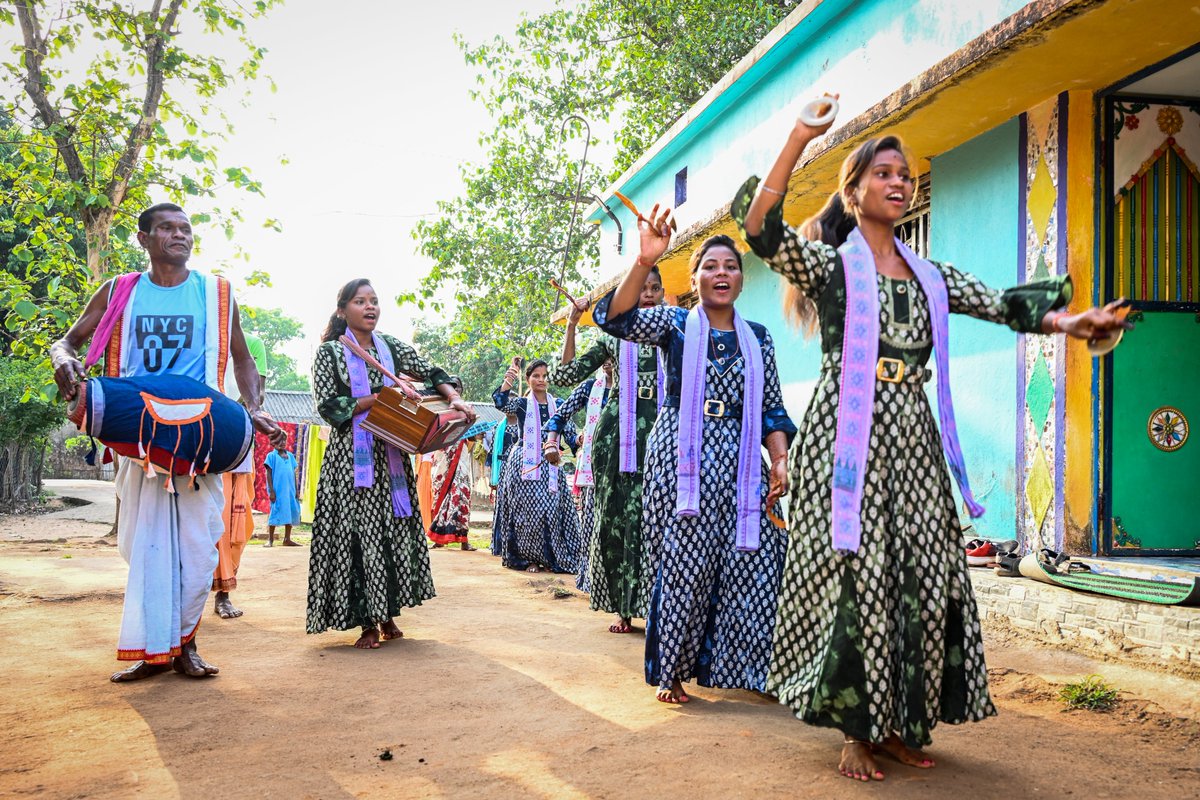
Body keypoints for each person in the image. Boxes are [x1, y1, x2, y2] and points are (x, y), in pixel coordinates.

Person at [735, 103, 1132, 781]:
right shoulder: (830, 270)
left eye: (907, 174)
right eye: (884, 173)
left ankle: (895, 723)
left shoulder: (931, 277)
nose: (900, 182)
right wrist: (801, 137)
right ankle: (854, 732)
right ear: (853, 190)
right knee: (856, 572)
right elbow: (761, 230)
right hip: (847, 438)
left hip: (914, 438)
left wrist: (1074, 321)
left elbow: (1004, 304)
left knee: (918, 570)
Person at [50, 202, 285, 682]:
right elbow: (67, 341)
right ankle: (153, 649)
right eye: (166, 229)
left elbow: (243, 359)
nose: (179, 236)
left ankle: (186, 645)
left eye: (185, 229)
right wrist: (63, 359)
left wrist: (253, 405)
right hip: (140, 436)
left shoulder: (216, 294)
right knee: (147, 547)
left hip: (199, 438)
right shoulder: (120, 290)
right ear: (144, 239)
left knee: (197, 549)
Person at [594, 211, 797, 705]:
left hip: (742, 459)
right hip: (682, 458)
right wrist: (645, 260)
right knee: (686, 562)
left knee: (758, 558)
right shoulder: (674, 324)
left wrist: (780, 460)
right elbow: (613, 318)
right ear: (695, 279)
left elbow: (771, 406)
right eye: (710, 266)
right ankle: (674, 672)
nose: (721, 273)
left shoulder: (760, 338)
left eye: (730, 266)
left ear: (742, 280)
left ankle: (755, 670)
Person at [306, 279, 476, 649]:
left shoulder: (391, 348)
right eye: (360, 301)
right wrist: (378, 398)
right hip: (351, 460)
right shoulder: (331, 353)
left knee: (390, 530)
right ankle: (366, 623)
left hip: (391, 455)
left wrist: (455, 399)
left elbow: (432, 372)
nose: (370, 307)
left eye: (374, 301)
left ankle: (387, 614)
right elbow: (329, 406)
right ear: (342, 310)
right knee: (358, 533)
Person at [547, 271, 664, 633]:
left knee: (658, 516)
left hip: (664, 431)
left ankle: (660, 606)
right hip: (617, 436)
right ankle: (623, 608)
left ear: (662, 293)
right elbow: (564, 375)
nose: (647, 294)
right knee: (617, 517)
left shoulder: (675, 330)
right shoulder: (612, 334)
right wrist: (572, 324)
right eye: (640, 288)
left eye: (654, 288)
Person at [491, 358, 581, 573]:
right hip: (524, 463)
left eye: (544, 376)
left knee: (550, 510)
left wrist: (579, 440)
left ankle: (551, 558)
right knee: (527, 512)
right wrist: (511, 373)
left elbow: (569, 433)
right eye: (536, 376)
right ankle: (529, 558)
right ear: (528, 379)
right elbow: (501, 401)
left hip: (551, 462)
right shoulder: (521, 404)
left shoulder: (559, 404)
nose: (541, 380)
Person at [212, 331, 268, 619]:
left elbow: (257, 395)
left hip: (238, 438)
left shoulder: (253, 344)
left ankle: (224, 593)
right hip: (204, 439)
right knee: (209, 520)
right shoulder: (203, 339)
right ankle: (193, 596)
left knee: (237, 523)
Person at [544, 363, 611, 591]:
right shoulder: (590, 387)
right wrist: (551, 441)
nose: (609, 360)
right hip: (595, 468)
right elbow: (559, 417)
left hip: (629, 466)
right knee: (593, 526)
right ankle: (594, 581)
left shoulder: (640, 384)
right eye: (604, 355)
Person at [427, 434, 477, 551]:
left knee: (460, 497)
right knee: (440, 496)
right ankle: (438, 538)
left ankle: (464, 540)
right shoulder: (443, 421)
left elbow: (472, 439)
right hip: (444, 453)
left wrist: (473, 435)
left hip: (459, 457)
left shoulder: (466, 422)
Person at [265, 442, 302, 547]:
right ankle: (270, 540)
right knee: (275, 510)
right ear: (273, 443)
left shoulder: (290, 456)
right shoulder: (271, 456)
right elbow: (268, 473)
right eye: (279, 440)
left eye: (284, 440)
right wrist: (271, 490)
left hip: (290, 489)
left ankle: (287, 539)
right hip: (278, 490)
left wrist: (296, 489)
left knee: (289, 510)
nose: (281, 443)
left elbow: (293, 473)